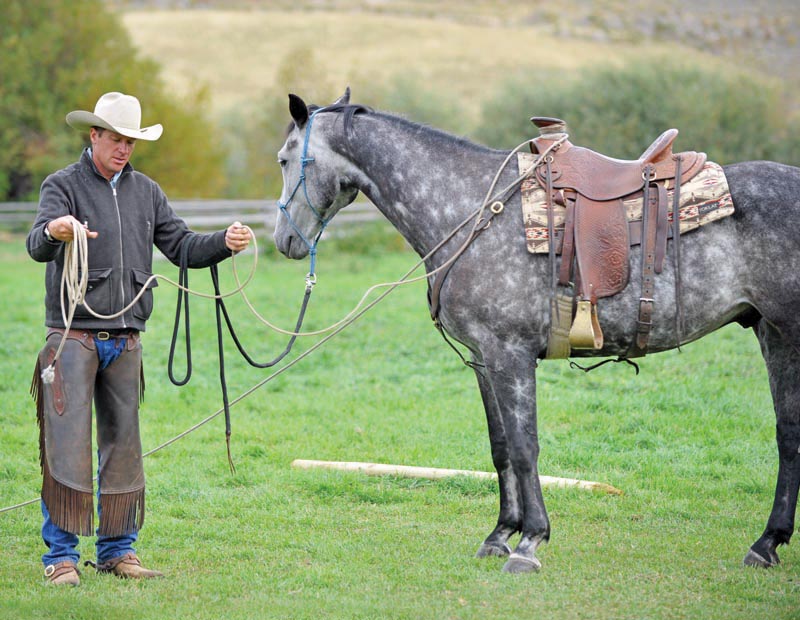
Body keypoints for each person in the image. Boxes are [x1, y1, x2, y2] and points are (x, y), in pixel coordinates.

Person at [25, 92, 252, 586]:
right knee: (66, 448)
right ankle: (60, 557)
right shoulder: (61, 185)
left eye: (131, 141)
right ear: (94, 136)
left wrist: (223, 243)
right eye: (117, 140)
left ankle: (117, 551)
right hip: (73, 337)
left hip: (127, 338)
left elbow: (181, 245)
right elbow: (35, 244)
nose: (124, 149)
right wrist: (56, 230)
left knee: (123, 447)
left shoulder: (146, 192)